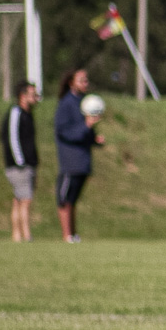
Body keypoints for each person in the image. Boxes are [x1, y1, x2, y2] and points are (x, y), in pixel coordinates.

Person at [53, 67, 103, 243]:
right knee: (64, 199)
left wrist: (94, 139)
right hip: (70, 161)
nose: (85, 83)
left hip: (83, 161)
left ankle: (73, 234)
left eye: (86, 80)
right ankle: (67, 235)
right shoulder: (66, 103)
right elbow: (65, 132)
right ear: (71, 82)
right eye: (82, 80)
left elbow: (82, 132)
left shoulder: (83, 102)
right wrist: (86, 126)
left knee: (73, 199)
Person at [2, 81, 40, 242]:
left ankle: (17, 236)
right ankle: (26, 235)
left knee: (19, 200)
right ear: (22, 96)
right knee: (25, 199)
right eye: (33, 95)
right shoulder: (16, 112)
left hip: (27, 164)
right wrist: (20, 161)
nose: (36, 98)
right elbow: (12, 138)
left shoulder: (28, 114)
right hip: (19, 166)